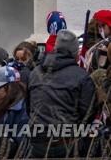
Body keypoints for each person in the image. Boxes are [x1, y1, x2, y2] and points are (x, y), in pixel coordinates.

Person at [28, 30, 96, 158]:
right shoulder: (81, 76)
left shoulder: (35, 73)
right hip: (67, 143)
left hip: (37, 143)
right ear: (75, 54)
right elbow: (88, 112)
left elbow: (30, 107)